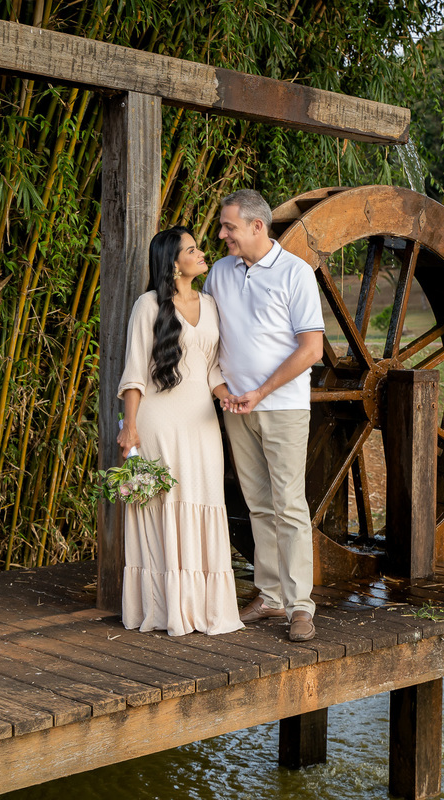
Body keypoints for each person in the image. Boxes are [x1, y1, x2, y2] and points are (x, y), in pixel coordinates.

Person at [203, 189, 324, 643]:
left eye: (229, 226)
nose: (221, 234)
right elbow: (208, 337)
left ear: (258, 226)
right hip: (236, 406)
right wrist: (224, 390)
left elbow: (311, 349)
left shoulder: (295, 273)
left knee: (289, 505)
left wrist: (260, 391)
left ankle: (300, 606)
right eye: (222, 226)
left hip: (283, 406)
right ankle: (270, 594)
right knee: (257, 503)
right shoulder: (219, 272)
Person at [116, 226, 244, 637]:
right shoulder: (147, 306)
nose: (202, 252)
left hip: (203, 423)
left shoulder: (210, 303)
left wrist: (230, 398)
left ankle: (203, 609)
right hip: (159, 424)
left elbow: (210, 369)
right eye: (193, 249)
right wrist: (129, 428)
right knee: (165, 507)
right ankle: (166, 607)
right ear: (173, 263)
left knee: (203, 501)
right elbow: (134, 374)